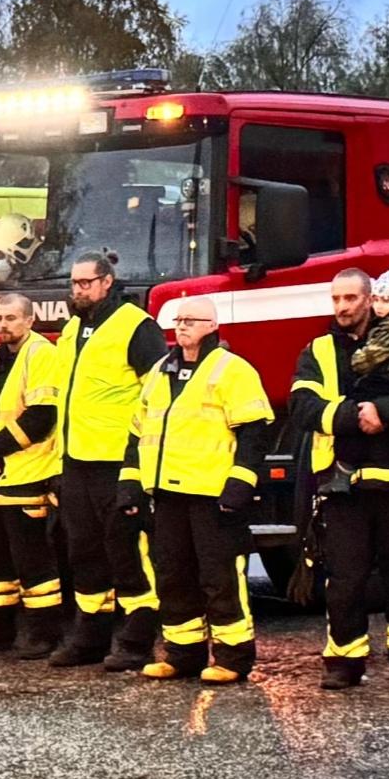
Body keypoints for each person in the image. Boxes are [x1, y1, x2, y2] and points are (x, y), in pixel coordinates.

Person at [283, 263, 389, 689]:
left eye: (350, 298)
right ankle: (344, 662)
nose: (342, 306)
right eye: (335, 298)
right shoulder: (317, 351)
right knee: (344, 578)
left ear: (370, 298)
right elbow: (301, 407)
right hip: (342, 486)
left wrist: (387, 413)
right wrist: (357, 417)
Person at [124, 293, 274, 684]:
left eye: (192, 319)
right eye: (179, 319)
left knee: (220, 577)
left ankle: (233, 657)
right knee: (173, 575)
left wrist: (240, 484)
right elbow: (138, 432)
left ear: (212, 326)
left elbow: (255, 433)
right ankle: (182, 654)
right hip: (168, 495)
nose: (182, 325)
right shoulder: (160, 371)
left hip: (212, 496)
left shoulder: (232, 370)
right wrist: (131, 485)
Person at [47, 248, 167, 669]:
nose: (77, 290)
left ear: (106, 283)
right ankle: (90, 636)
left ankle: (137, 637)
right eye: (74, 283)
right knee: (84, 552)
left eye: (85, 283)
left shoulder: (136, 327)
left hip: (117, 461)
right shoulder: (72, 330)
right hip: (76, 460)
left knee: (126, 552)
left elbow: (158, 398)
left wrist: (137, 468)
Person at [0, 290, 65, 652]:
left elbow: (41, 417)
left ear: (29, 320)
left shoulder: (42, 355)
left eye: (11, 318)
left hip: (26, 474)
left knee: (33, 560)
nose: (3, 325)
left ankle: (43, 633)